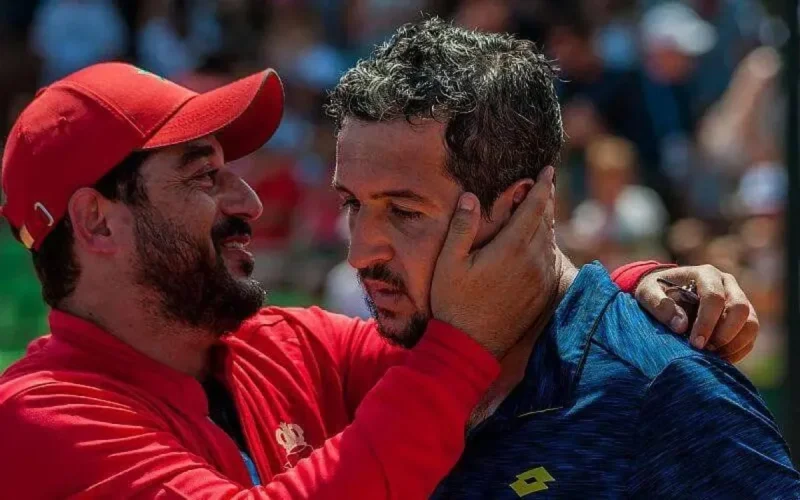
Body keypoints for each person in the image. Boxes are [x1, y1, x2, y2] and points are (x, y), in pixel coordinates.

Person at [0, 62, 756, 498]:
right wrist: (463, 341)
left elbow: (505, 344)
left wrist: (627, 293)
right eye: (204, 179)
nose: (249, 202)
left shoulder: (282, 345)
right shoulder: (35, 420)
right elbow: (462, 349)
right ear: (98, 223)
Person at [325, 18, 799, 498]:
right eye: (352, 204)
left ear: (521, 209)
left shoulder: (662, 388)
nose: (360, 253)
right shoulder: (370, 378)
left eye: (405, 212)